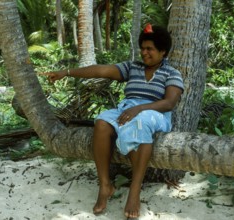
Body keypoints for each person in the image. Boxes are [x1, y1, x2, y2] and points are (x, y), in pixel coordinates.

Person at [41, 23, 184, 219]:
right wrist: (66, 72)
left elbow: (169, 103)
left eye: (149, 49)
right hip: (127, 110)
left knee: (141, 122)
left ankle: (135, 191)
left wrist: (139, 108)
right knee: (102, 122)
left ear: (163, 51)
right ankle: (105, 185)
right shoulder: (132, 67)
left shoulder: (172, 73)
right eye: (142, 48)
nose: (144, 53)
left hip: (154, 112)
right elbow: (101, 71)